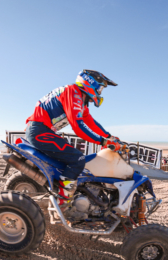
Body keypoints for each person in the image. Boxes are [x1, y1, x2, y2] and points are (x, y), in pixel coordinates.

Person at [25, 69, 121, 198]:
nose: (100, 92)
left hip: (41, 130)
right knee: (78, 160)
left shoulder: (78, 98)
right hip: (39, 131)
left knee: (68, 155)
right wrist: (103, 141)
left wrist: (109, 136)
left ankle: (59, 190)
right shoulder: (73, 93)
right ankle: (63, 200)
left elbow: (91, 122)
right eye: (100, 89)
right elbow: (78, 127)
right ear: (91, 83)